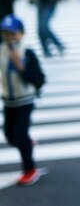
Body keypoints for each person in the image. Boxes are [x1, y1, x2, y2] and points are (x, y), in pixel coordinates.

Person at [0, 14, 46, 186]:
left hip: (25, 100)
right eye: (5, 33)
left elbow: (39, 79)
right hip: (8, 100)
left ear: (22, 33)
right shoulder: (2, 50)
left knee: (20, 135)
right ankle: (26, 142)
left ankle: (30, 170)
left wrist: (21, 67)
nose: (9, 37)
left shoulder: (27, 52)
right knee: (10, 135)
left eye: (13, 33)